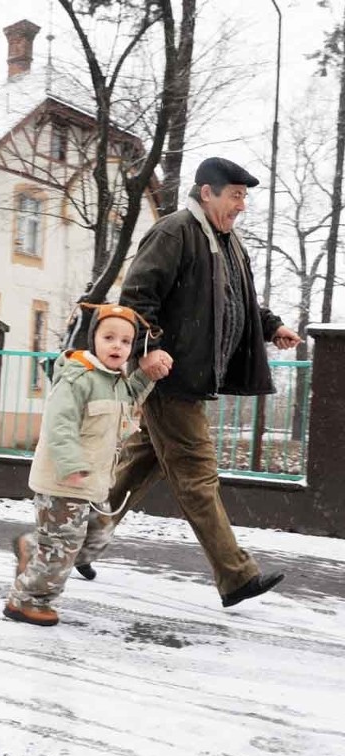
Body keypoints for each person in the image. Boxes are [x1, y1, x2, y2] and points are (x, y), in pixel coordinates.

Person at [73, 156, 302, 608]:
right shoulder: (176, 232)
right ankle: (236, 575)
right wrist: (149, 346)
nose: (241, 205)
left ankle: (70, 544)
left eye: (244, 197)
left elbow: (241, 301)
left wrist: (271, 325)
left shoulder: (227, 243)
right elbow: (138, 298)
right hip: (168, 378)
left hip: (191, 377)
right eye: (235, 195)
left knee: (139, 466)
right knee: (198, 474)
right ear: (207, 193)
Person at [3, 304, 160, 627]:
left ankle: (32, 547)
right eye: (109, 337)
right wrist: (70, 464)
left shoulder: (115, 382)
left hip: (95, 484)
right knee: (62, 548)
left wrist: (149, 374)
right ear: (94, 340)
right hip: (64, 482)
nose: (118, 346)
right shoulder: (77, 378)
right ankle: (26, 601)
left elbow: (131, 396)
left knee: (97, 537)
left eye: (126, 341)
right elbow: (59, 424)